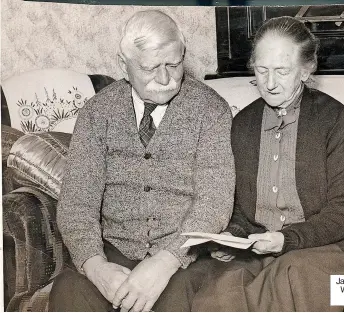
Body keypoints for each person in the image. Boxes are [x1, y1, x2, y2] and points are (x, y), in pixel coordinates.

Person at [190, 16, 344, 312]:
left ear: (306, 69)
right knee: (221, 292)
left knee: (295, 275)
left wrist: (286, 239)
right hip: (259, 249)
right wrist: (231, 237)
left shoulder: (334, 120)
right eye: (262, 71)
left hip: (323, 245)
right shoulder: (243, 124)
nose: (270, 83)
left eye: (282, 71)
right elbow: (235, 205)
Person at [48, 10, 235, 312]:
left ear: (183, 55)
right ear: (124, 65)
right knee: (70, 294)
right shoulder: (97, 113)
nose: (164, 79)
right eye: (150, 68)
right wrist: (96, 267)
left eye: (173, 65)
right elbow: (76, 203)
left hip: (184, 258)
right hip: (112, 254)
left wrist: (167, 261)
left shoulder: (211, 110)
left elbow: (214, 202)